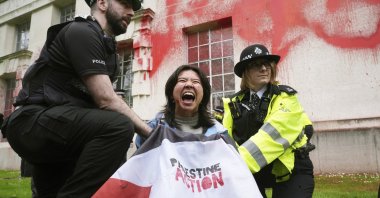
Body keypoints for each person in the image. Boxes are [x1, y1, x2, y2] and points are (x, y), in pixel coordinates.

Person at [1, 0, 152, 197]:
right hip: (33, 122)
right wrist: (151, 133)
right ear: (103, 3)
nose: (132, 12)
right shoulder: (82, 32)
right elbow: (107, 100)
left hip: (66, 130)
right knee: (119, 127)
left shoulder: (108, 50)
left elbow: (106, 101)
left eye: (134, 7)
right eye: (125, 3)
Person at [222, 44, 315, 198]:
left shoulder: (286, 97)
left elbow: (272, 137)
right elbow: (226, 138)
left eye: (267, 64)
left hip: (292, 170)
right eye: (257, 65)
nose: (264, 68)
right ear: (246, 72)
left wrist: (235, 165)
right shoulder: (233, 103)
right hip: (254, 171)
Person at [135, 65, 227, 148]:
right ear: (171, 94)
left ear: (203, 96)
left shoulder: (219, 133)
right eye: (182, 80)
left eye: (195, 82)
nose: (189, 85)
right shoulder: (153, 128)